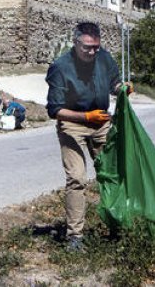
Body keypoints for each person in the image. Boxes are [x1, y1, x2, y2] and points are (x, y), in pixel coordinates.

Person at [46, 21, 132, 250]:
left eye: (96, 47)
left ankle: (117, 226)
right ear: (76, 44)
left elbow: (114, 82)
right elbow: (54, 110)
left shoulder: (103, 57)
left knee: (110, 174)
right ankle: (75, 237)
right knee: (77, 178)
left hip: (101, 122)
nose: (92, 52)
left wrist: (122, 88)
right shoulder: (60, 67)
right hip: (72, 124)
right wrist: (85, 118)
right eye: (87, 48)